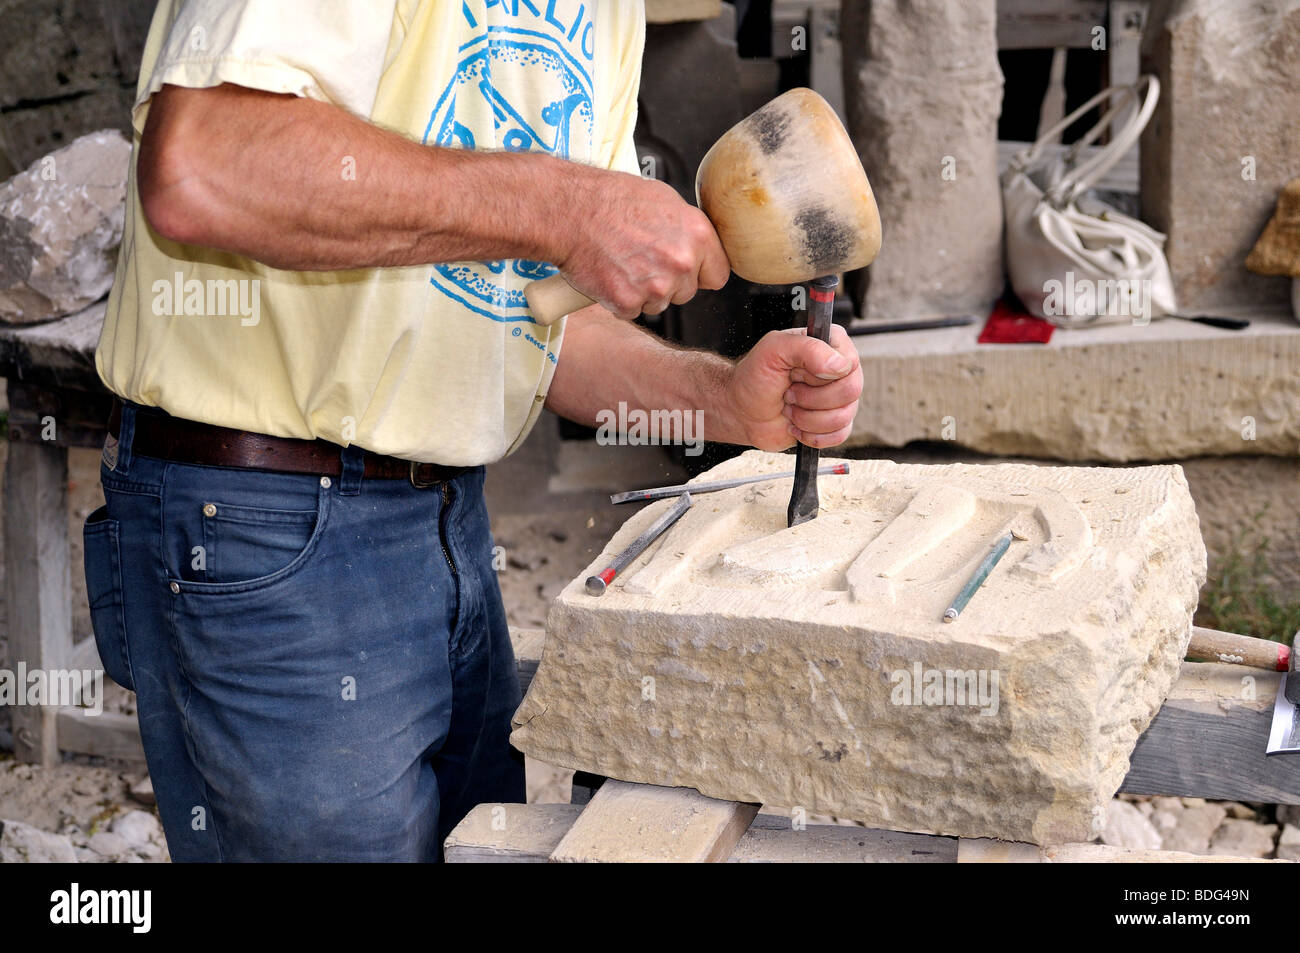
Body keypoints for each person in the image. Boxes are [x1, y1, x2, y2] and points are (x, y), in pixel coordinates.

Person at [86, 0, 863, 861]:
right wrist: (563, 206)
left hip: (446, 519)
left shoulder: (610, 17)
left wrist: (723, 400)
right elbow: (204, 169)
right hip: (262, 527)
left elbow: (529, 321)